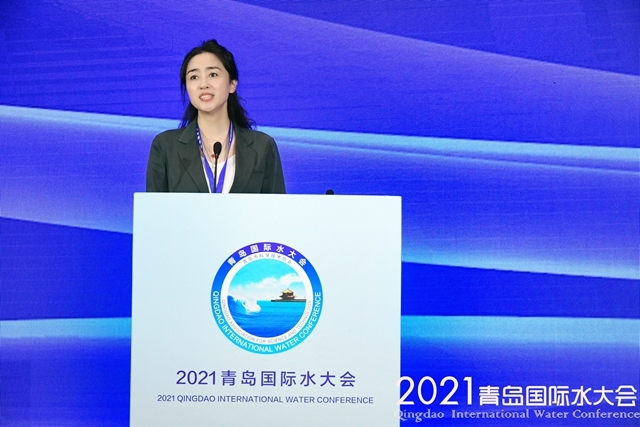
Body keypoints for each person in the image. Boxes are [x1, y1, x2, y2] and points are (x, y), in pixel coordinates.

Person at [146, 39, 286, 193]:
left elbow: (276, 206)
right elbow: (153, 206)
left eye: (212, 74)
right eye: (194, 77)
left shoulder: (263, 147)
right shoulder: (165, 146)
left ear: (232, 84)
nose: (203, 84)